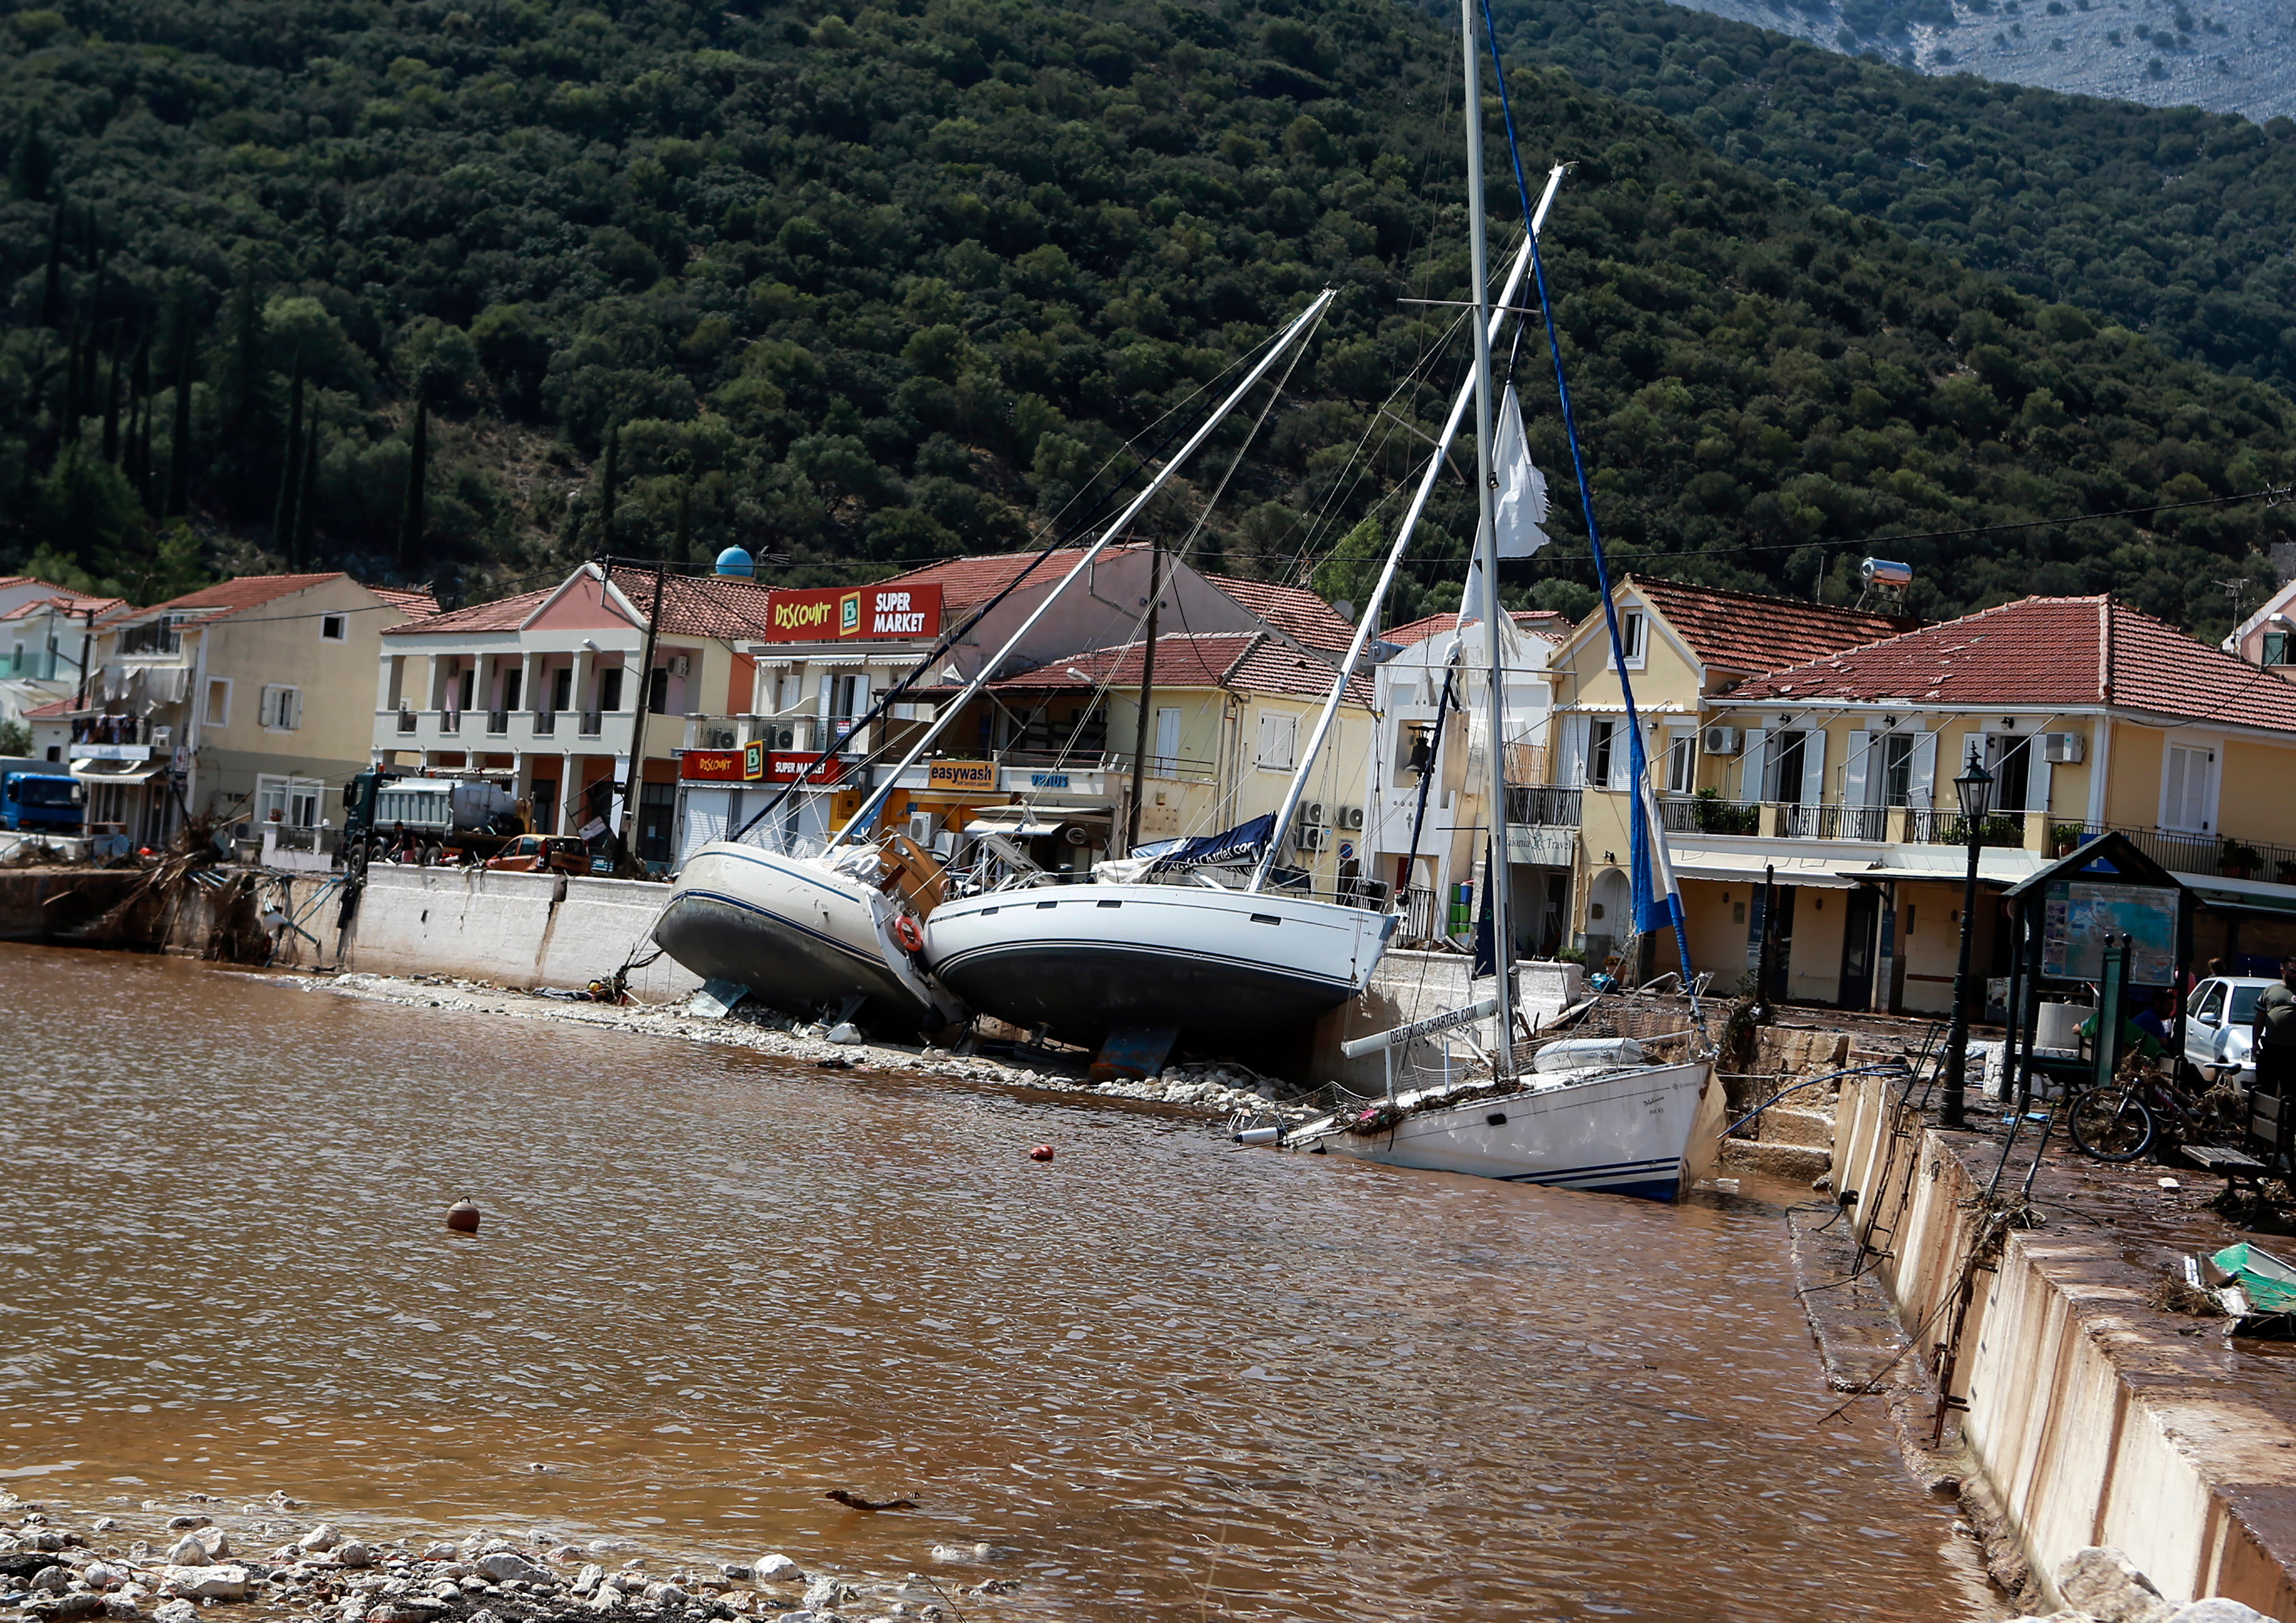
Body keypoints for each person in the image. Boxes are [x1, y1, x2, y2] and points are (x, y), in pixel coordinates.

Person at [2252, 957, 2296, 1162]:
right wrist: (2255, 1044)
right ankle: (2258, 1140)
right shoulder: (2271, 991)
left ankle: (2286, 1143)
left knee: (2291, 1098)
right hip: (2271, 1050)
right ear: (2283, 971)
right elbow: (2260, 1019)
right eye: (2294, 971)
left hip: (2294, 1054)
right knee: (2264, 1093)